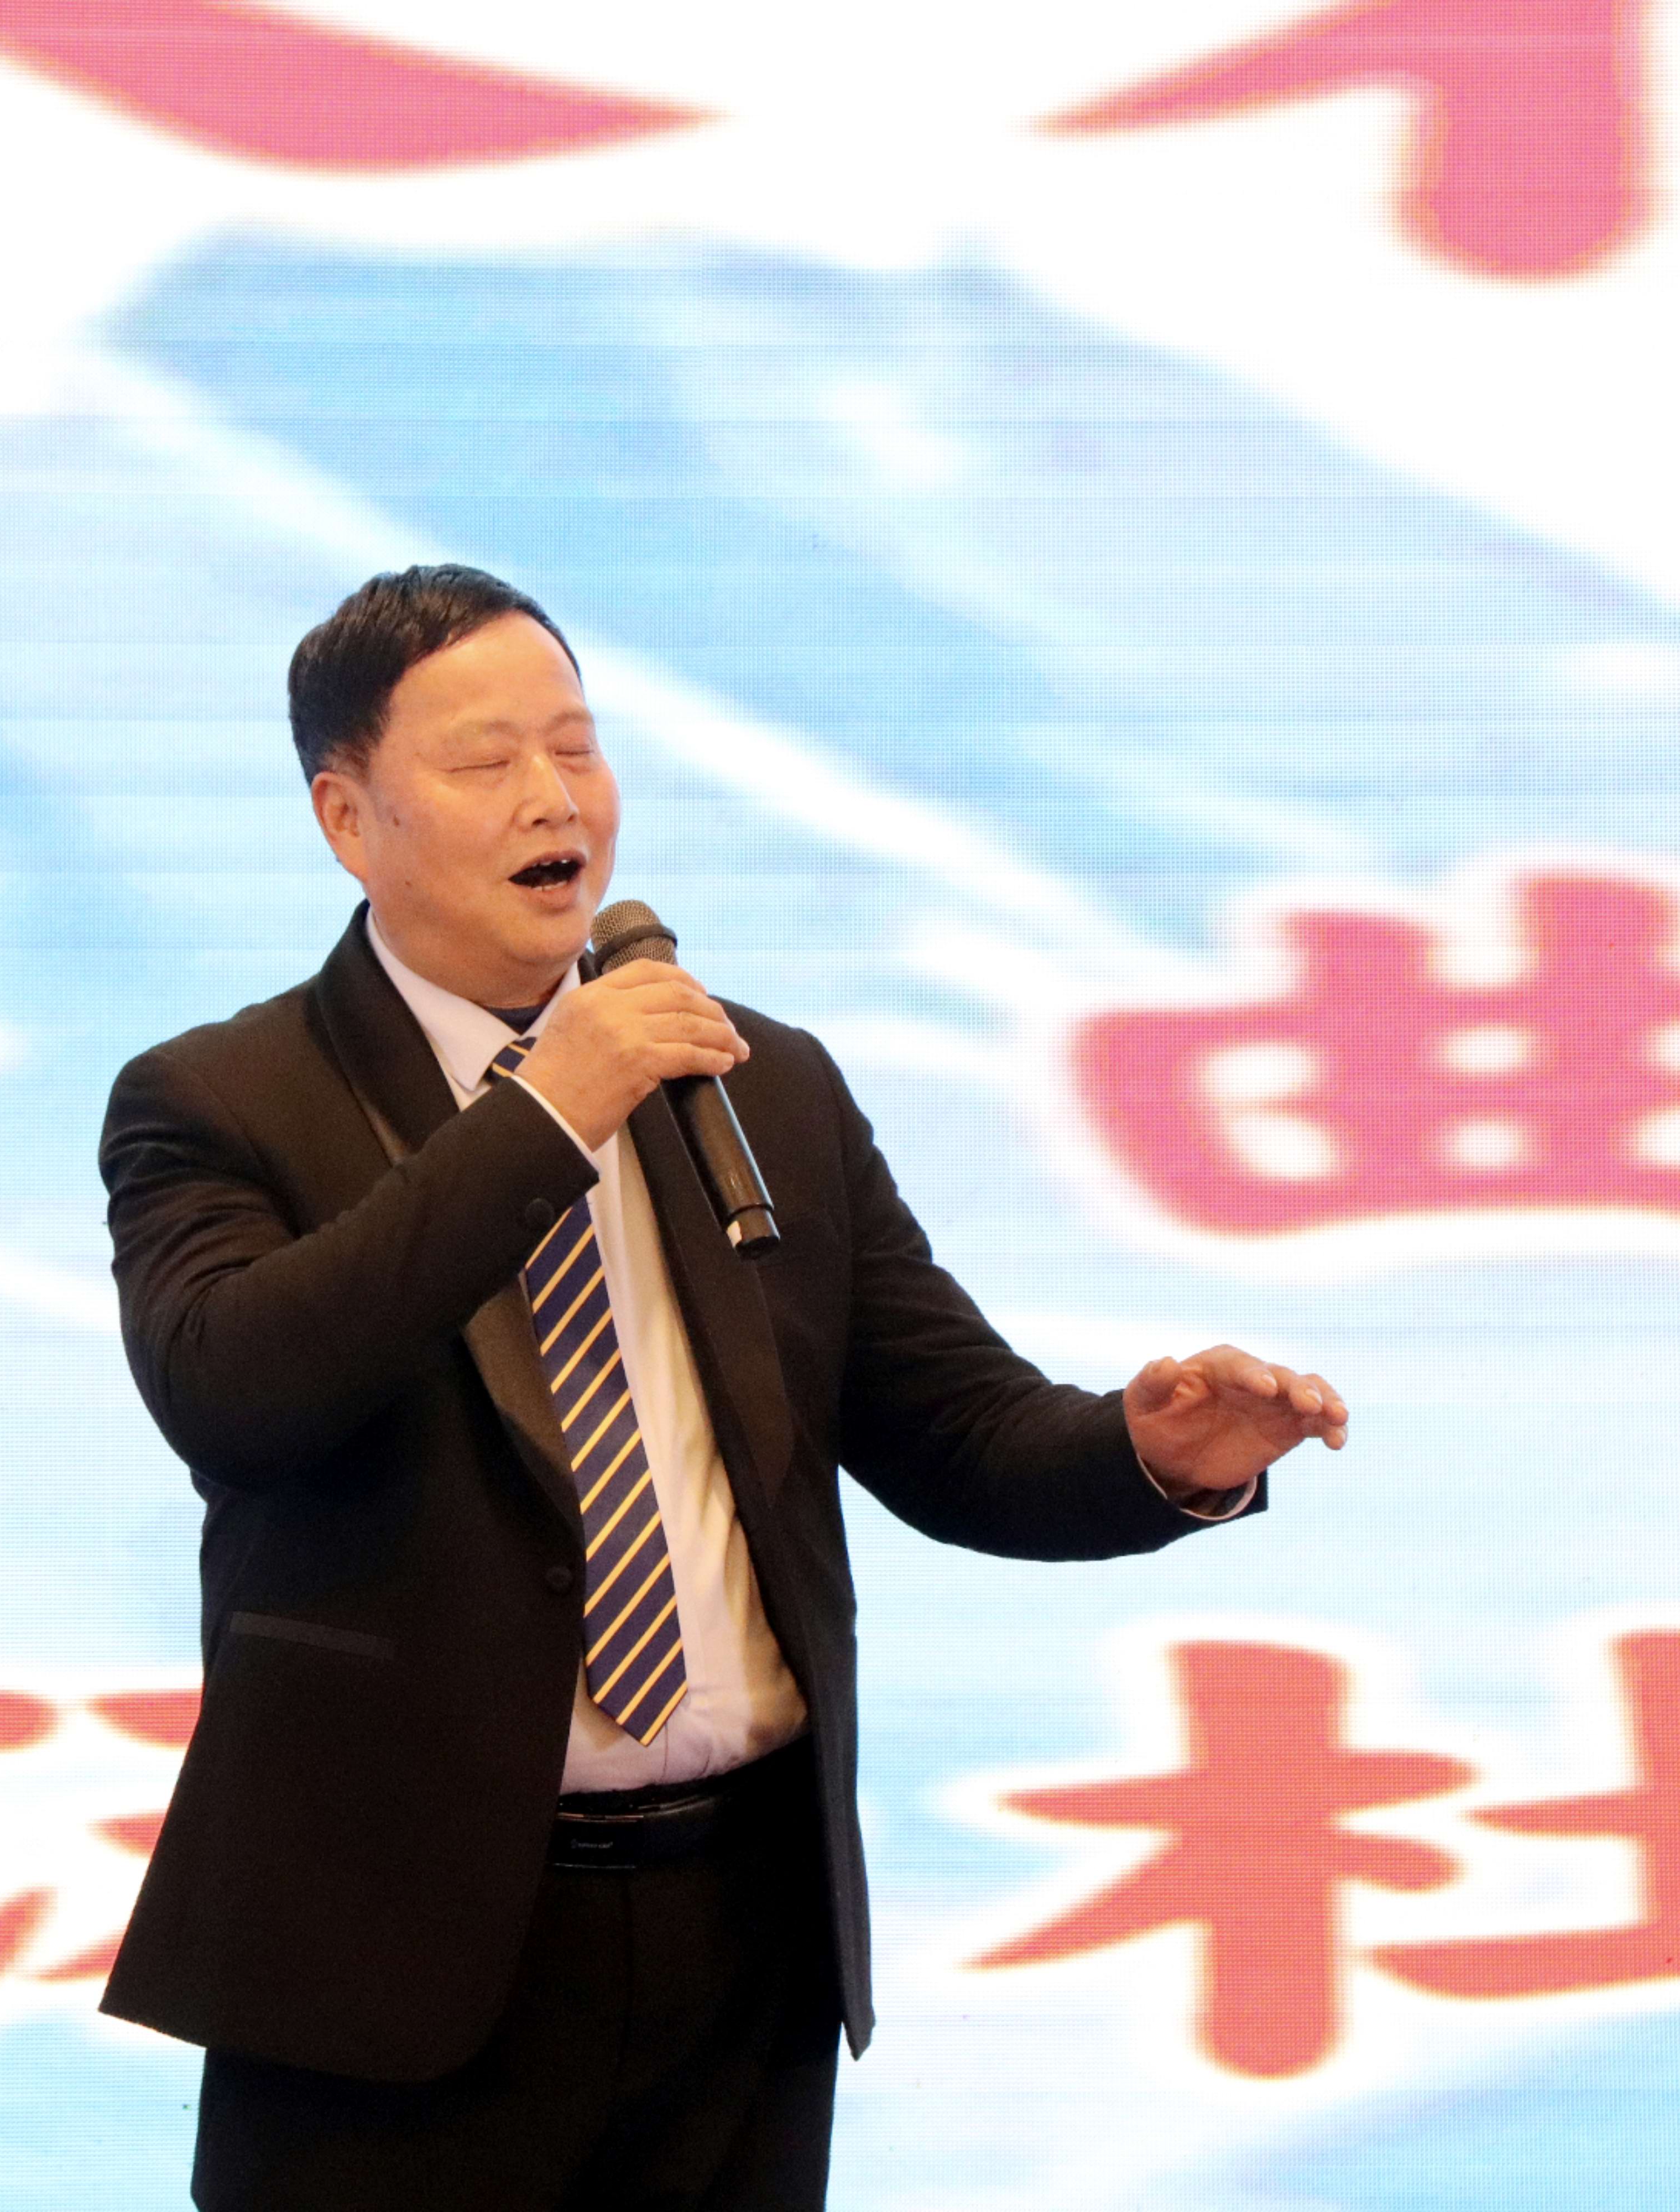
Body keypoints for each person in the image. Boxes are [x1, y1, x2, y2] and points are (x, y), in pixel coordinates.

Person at [97, 565, 1347, 2209]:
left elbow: (959, 1434)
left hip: (740, 1941)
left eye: (577, 747)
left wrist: (1156, 1453)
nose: (555, 800)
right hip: (395, 1953)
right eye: (485, 762)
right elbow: (239, 1390)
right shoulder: (221, 1100)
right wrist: (546, 1115)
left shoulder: (759, 1084)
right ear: (348, 818)